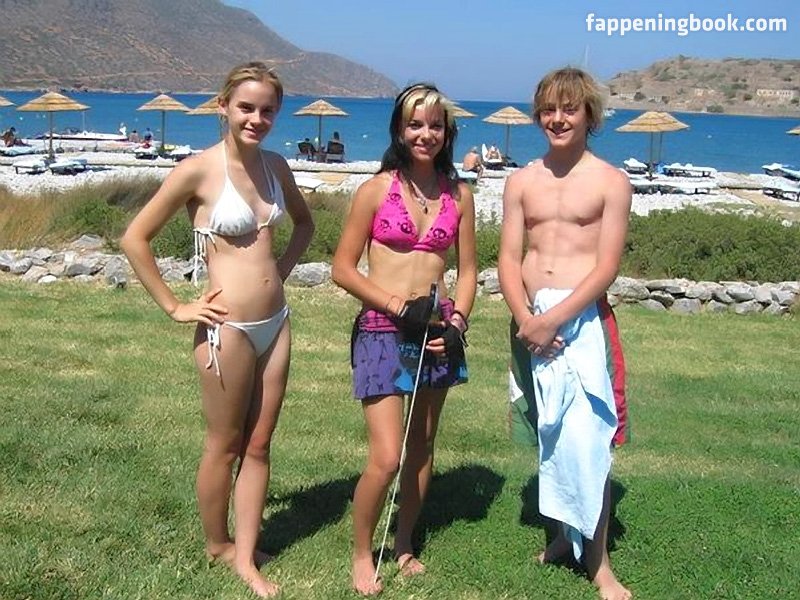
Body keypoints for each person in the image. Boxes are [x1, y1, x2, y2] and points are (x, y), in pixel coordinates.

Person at [121, 62, 314, 598]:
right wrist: (175, 307)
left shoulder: (276, 166)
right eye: (246, 107)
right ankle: (217, 544)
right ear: (223, 106)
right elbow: (135, 238)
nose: (257, 119)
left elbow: (304, 224)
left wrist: (280, 271)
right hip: (226, 327)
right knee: (225, 444)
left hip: (276, 322)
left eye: (268, 110)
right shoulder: (198, 170)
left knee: (260, 443)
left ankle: (245, 553)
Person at [331, 82, 477, 596]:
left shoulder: (460, 194)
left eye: (435, 125)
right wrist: (396, 306)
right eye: (415, 124)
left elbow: (468, 271)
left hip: (437, 332)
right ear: (399, 128)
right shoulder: (375, 190)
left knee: (422, 448)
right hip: (382, 329)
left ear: (447, 132)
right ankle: (361, 552)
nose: (425, 134)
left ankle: (405, 542)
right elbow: (342, 268)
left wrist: (457, 324)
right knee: (387, 456)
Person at [497, 67, 632, 600]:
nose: (557, 119)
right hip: (529, 319)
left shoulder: (610, 182)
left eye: (569, 109)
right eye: (548, 110)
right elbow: (509, 258)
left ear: (588, 115)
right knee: (549, 431)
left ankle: (599, 564)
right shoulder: (521, 181)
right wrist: (526, 317)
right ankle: (560, 536)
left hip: (580, 320)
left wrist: (554, 319)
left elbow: (607, 266)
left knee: (587, 440)